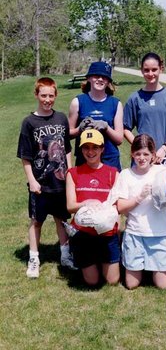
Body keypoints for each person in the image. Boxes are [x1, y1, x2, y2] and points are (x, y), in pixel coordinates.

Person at [17, 77, 75, 279]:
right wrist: (32, 180)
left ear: (56, 95)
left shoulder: (61, 119)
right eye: (43, 95)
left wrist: (70, 173)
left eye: (51, 95)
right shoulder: (29, 122)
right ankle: (34, 258)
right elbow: (25, 156)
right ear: (36, 95)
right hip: (40, 185)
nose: (47, 99)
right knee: (37, 222)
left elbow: (67, 149)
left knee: (62, 220)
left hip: (60, 182)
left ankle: (66, 255)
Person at [115, 134, 166, 290]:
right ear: (132, 154)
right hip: (135, 234)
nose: (141, 158)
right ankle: (142, 266)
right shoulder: (125, 175)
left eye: (146, 154)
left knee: (162, 285)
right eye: (137, 154)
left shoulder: (162, 171)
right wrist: (139, 197)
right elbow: (120, 208)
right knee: (131, 284)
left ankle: (155, 266)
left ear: (153, 155)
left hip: (160, 233)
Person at [66, 129, 120, 286]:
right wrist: (87, 203)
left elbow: (116, 208)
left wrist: (117, 234)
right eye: (86, 147)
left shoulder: (113, 173)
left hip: (106, 234)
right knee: (92, 281)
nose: (90, 152)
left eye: (95, 147)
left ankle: (103, 258)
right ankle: (81, 254)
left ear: (102, 149)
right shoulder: (73, 173)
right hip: (84, 234)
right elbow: (70, 206)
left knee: (112, 280)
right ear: (81, 149)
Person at [123, 52, 166, 163]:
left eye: (154, 69)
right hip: (142, 160)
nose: (150, 73)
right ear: (141, 71)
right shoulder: (135, 98)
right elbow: (126, 129)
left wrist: (164, 148)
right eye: (146, 70)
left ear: (161, 69)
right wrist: (142, 149)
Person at [68, 61, 123, 170]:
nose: (100, 79)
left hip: (109, 158)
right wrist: (80, 129)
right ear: (88, 78)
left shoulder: (115, 103)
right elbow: (68, 134)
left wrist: (106, 127)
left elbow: (119, 139)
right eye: (96, 76)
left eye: (104, 77)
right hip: (85, 158)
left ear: (108, 82)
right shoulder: (78, 101)